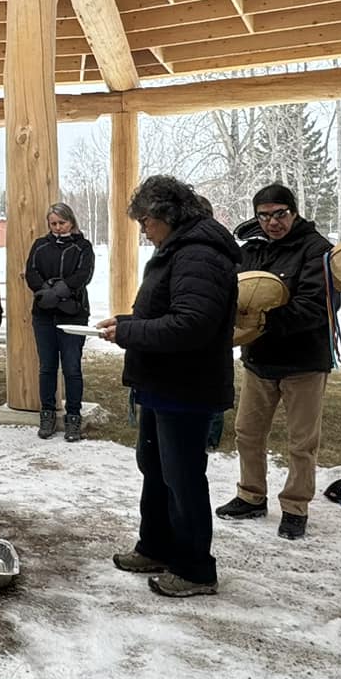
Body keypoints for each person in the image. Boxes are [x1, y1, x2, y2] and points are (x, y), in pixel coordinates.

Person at [100, 176, 239, 599]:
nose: (143, 231)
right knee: (156, 469)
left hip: (186, 386)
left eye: (145, 222)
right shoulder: (179, 250)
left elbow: (190, 325)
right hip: (162, 383)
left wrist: (129, 334)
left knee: (182, 478)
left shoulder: (199, 255)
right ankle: (157, 545)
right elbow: (169, 312)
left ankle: (196, 568)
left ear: (167, 216)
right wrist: (126, 324)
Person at [217, 184, 334, 540]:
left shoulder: (317, 249)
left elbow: (319, 305)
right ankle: (251, 495)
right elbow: (236, 292)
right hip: (259, 359)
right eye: (264, 216)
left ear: (293, 212)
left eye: (280, 214)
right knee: (248, 433)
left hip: (304, 362)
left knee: (301, 443)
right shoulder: (251, 249)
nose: (272, 223)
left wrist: (265, 321)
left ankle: (296, 506)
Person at [24, 201, 96, 441]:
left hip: (73, 312)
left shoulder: (82, 247)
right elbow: (32, 272)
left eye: (62, 223)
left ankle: (73, 416)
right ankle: (47, 413)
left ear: (71, 222)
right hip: (44, 313)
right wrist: (47, 292)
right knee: (47, 367)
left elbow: (83, 274)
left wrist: (61, 291)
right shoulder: (40, 245)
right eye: (53, 223)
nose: (57, 227)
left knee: (72, 368)